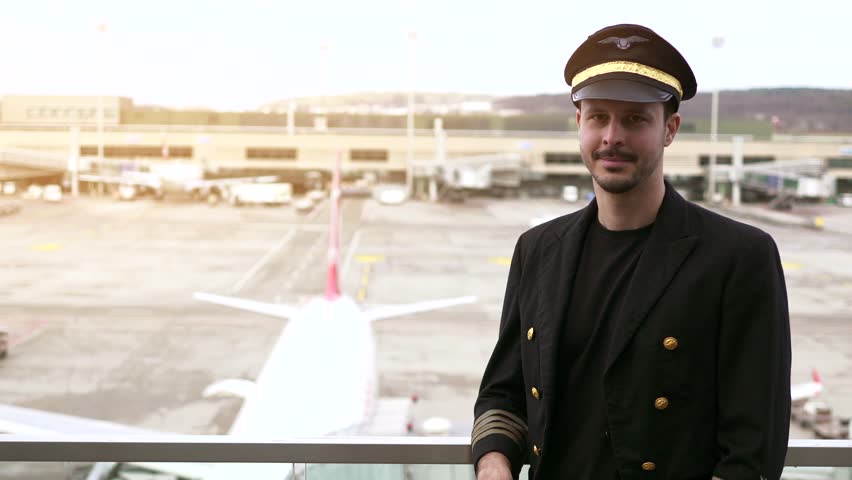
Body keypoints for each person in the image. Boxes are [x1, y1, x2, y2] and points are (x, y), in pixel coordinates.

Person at [471, 24, 791, 480]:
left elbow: (752, 447)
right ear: (579, 124)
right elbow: (504, 394)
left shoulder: (739, 257)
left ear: (670, 130)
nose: (612, 136)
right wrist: (493, 464)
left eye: (635, 119)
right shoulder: (537, 250)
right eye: (598, 116)